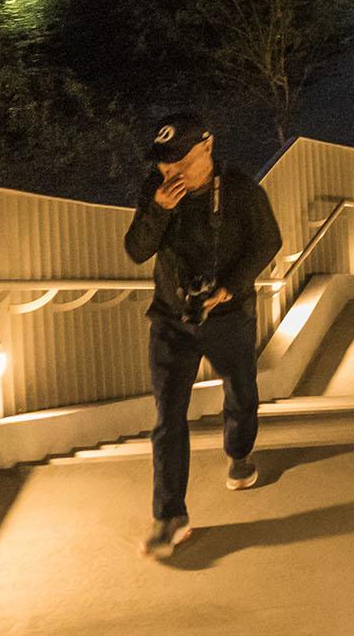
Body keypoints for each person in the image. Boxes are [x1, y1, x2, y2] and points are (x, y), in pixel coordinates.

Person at [122, 112, 281, 560]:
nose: (171, 171)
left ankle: (239, 451)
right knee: (168, 417)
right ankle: (170, 516)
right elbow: (136, 251)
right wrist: (158, 209)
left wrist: (231, 287)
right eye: (164, 163)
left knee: (242, 389)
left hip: (229, 316)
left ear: (207, 148)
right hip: (172, 320)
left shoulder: (241, 191)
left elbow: (267, 242)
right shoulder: (156, 193)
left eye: (181, 160)